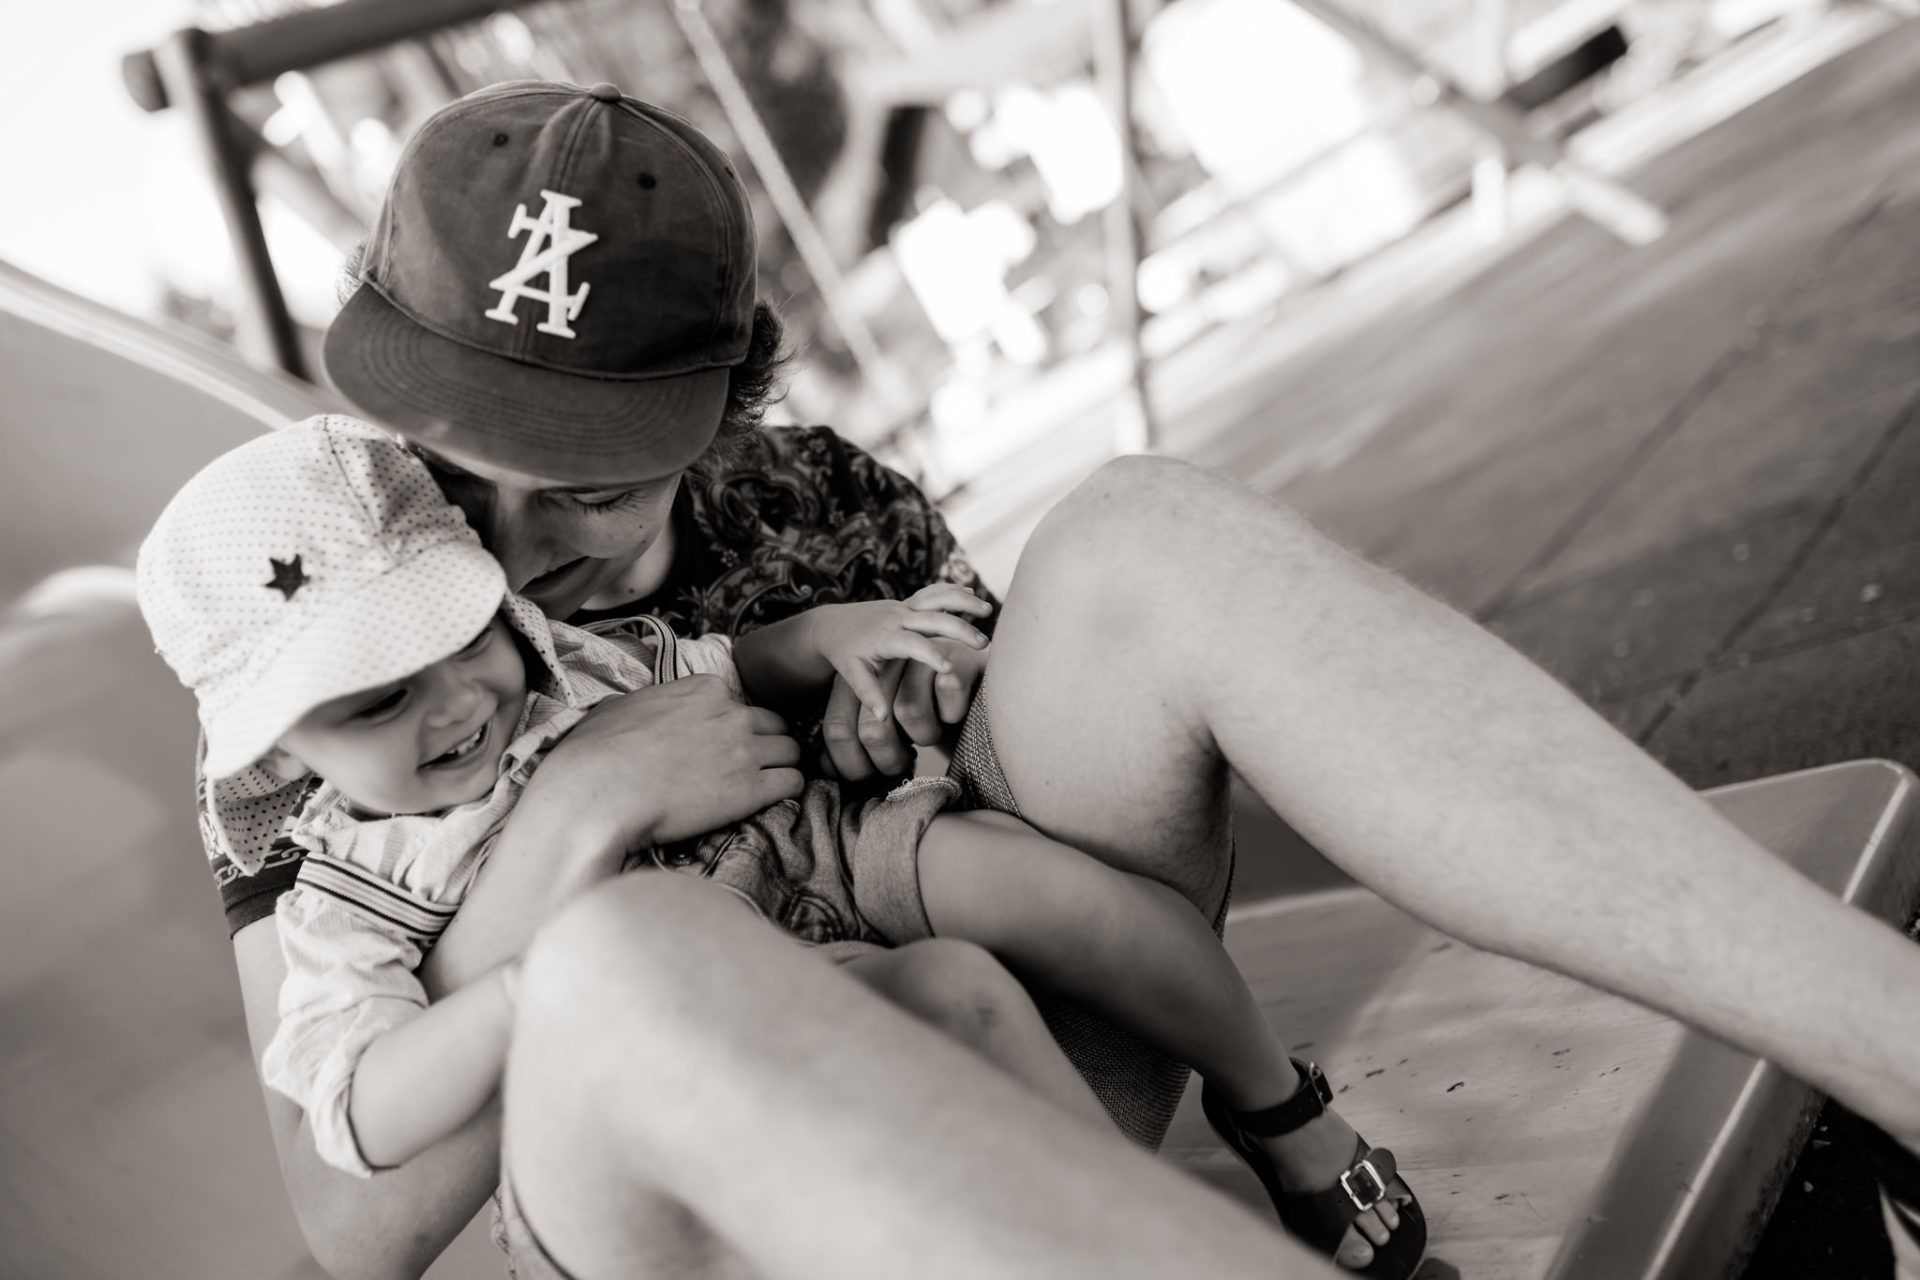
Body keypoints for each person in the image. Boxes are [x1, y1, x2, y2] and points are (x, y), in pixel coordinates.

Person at [205, 79, 1920, 1280]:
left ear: (718, 423)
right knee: (637, 960)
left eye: (580, 483)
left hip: (1005, 1058)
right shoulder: (314, 639)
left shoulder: (813, 500)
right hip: (685, 1205)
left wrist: (898, 714)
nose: (501, 546)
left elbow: (1002, 827)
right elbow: (355, 1232)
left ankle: (1896, 1048)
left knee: (1142, 531)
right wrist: (579, 816)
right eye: (459, 464)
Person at [146, 419, 1421, 1271]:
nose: (459, 704)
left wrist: (835, 640)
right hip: (670, 1048)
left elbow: (715, 664)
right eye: (376, 701)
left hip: (802, 901)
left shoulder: (564, 663)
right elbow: (358, 1113)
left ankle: (1218, 1144)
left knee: (981, 975)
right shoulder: (345, 895)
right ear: (280, 750)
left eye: (464, 638)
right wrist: (542, 986)